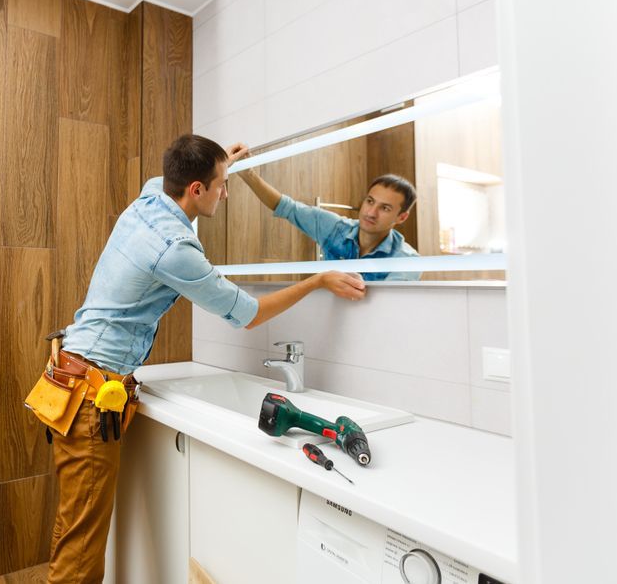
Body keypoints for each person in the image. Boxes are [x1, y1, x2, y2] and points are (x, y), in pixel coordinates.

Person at [28, 134, 366, 584]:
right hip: (92, 394)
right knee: (81, 543)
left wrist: (221, 160)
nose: (227, 193)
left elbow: (178, 194)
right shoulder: (176, 250)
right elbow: (247, 315)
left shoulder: (150, 198)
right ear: (196, 189)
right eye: (222, 184)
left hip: (74, 375)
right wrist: (317, 280)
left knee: (76, 526)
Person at [238, 167, 421, 281]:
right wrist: (248, 174)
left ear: (401, 217)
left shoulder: (406, 261)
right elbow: (287, 207)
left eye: (385, 208)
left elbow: (386, 310)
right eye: (370, 201)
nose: (371, 213)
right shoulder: (335, 229)